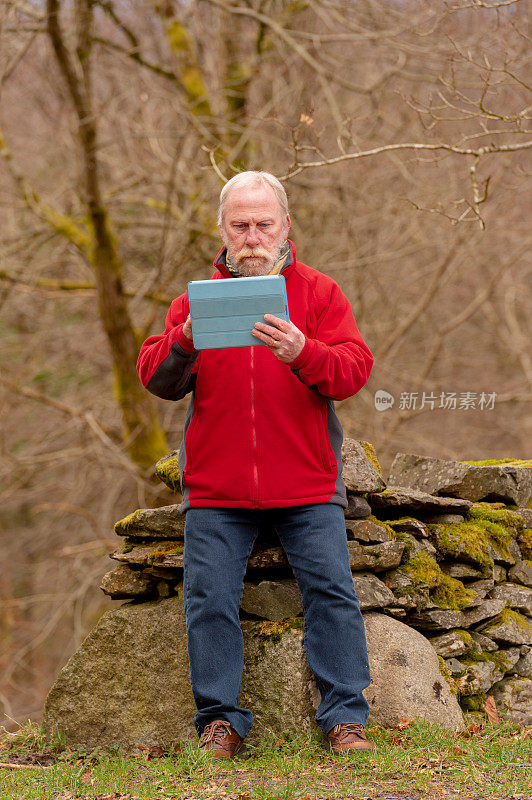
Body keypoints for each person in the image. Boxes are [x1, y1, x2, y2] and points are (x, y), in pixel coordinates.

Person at [136, 171, 375, 758]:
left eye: (263, 224)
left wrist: (303, 352)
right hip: (218, 488)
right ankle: (220, 722)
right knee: (208, 599)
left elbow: (354, 369)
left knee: (332, 593)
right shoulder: (192, 300)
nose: (251, 237)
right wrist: (184, 341)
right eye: (240, 225)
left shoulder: (318, 292)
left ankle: (345, 719)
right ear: (223, 228)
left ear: (285, 225)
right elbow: (155, 378)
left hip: (308, 480)